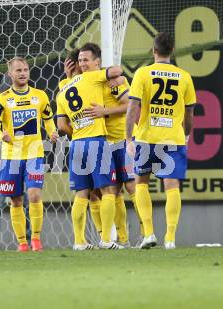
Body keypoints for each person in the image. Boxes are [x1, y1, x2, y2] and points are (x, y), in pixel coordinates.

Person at [126, 32, 196, 249]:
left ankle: (149, 234)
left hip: (147, 137)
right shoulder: (184, 76)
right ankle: (170, 238)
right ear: (172, 51)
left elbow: (132, 108)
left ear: (153, 50)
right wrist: (186, 134)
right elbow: (189, 112)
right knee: (172, 186)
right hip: (173, 138)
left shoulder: (142, 73)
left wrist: (129, 138)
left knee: (141, 183)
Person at [56, 49, 124, 250]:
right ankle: (106, 240)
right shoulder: (92, 77)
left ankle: (79, 242)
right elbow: (117, 70)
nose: (83, 63)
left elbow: (61, 126)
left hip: (76, 143)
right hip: (96, 141)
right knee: (108, 190)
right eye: (81, 60)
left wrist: (78, 129)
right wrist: (114, 78)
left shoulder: (63, 91)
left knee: (81, 193)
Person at [0, 57, 58, 252]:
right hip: (11, 156)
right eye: (18, 70)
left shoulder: (40, 96)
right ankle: (22, 243)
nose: (22, 73)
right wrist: (1, 135)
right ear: (10, 74)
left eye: (26, 70)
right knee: (16, 200)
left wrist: (52, 132)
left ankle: (36, 239)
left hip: (34, 154)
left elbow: (48, 119)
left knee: (34, 195)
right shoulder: (1, 99)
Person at [0, 101, 31, 250]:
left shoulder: (27, 102)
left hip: (24, 160)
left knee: (27, 202)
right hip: (2, 163)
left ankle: (28, 242)